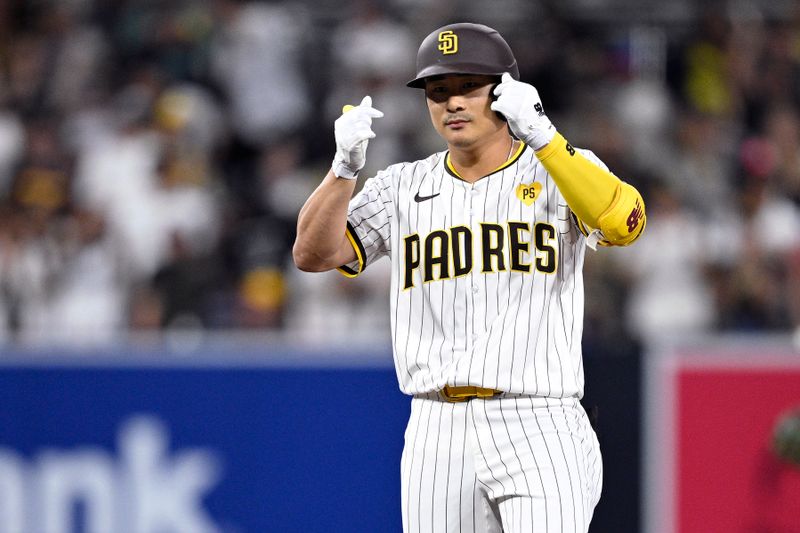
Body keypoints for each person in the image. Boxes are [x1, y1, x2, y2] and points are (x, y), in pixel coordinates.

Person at [293, 22, 646, 533]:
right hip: (436, 426)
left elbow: (625, 224)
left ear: (505, 92)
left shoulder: (559, 169)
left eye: (468, 88)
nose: (452, 103)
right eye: (438, 92)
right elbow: (313, 253)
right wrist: (343, 168)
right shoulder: (401, 186)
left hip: (539, 418)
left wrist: (545, 135)